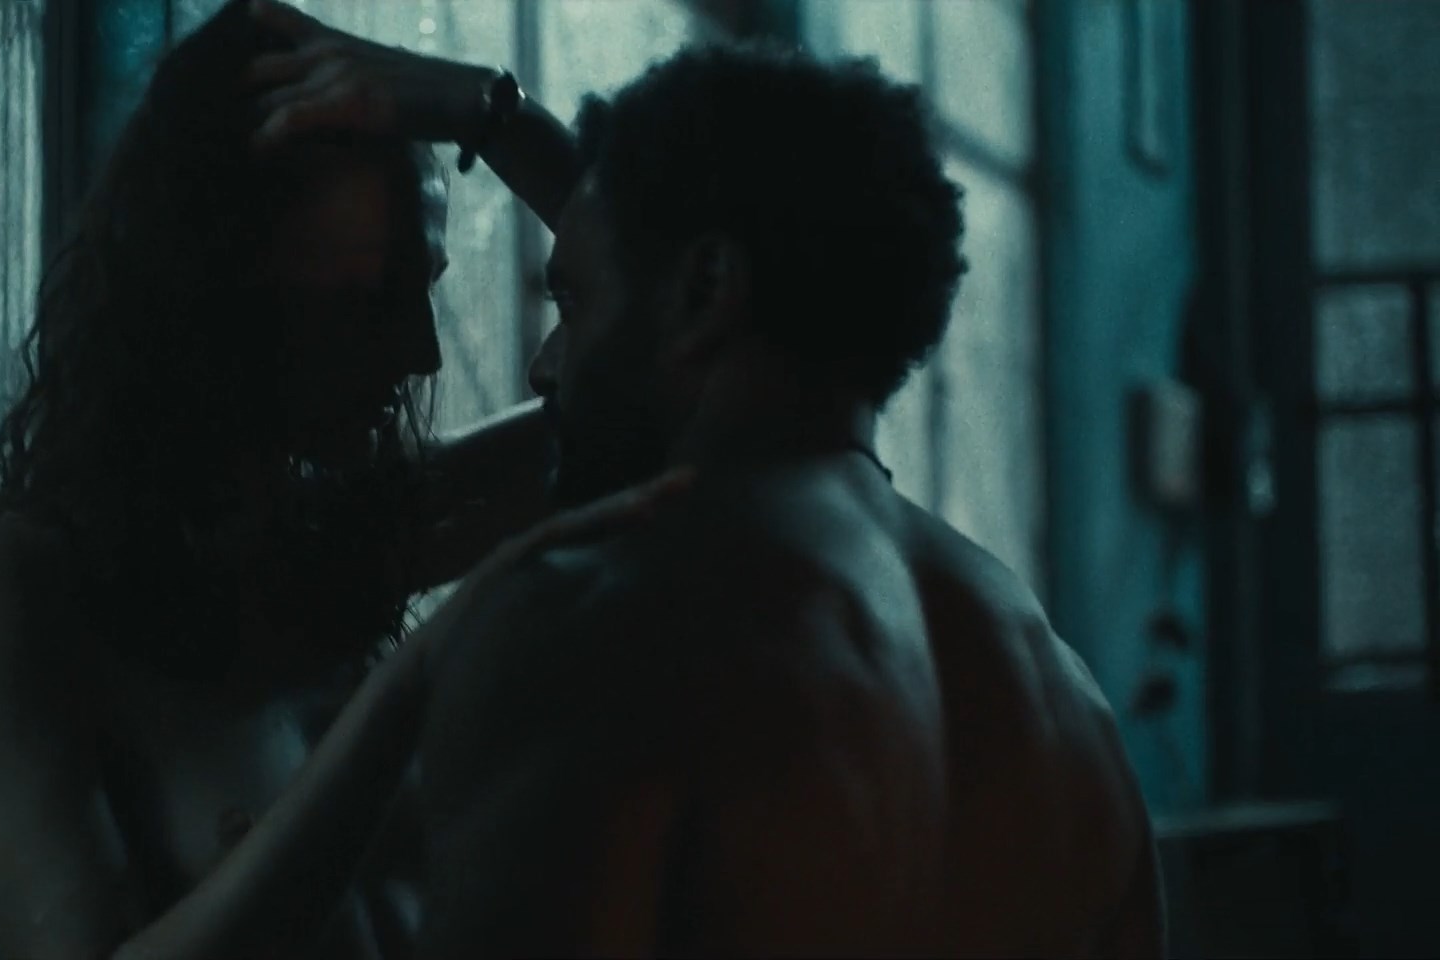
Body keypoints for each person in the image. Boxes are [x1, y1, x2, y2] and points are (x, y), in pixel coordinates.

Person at [248, 1, 1166, 956]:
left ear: (705, 289)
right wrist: (496, 114)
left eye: (572, 302)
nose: (543, 367)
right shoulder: (1068, 711)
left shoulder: (601, 623)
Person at [0, 2, 680, 958]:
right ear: (215, 289)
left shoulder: (349, 535)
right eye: (367, 300)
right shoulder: (7, 587)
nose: (423, 354)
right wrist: (401, 702)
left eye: (424, 288)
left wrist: (488, 113)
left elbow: (682, 368)